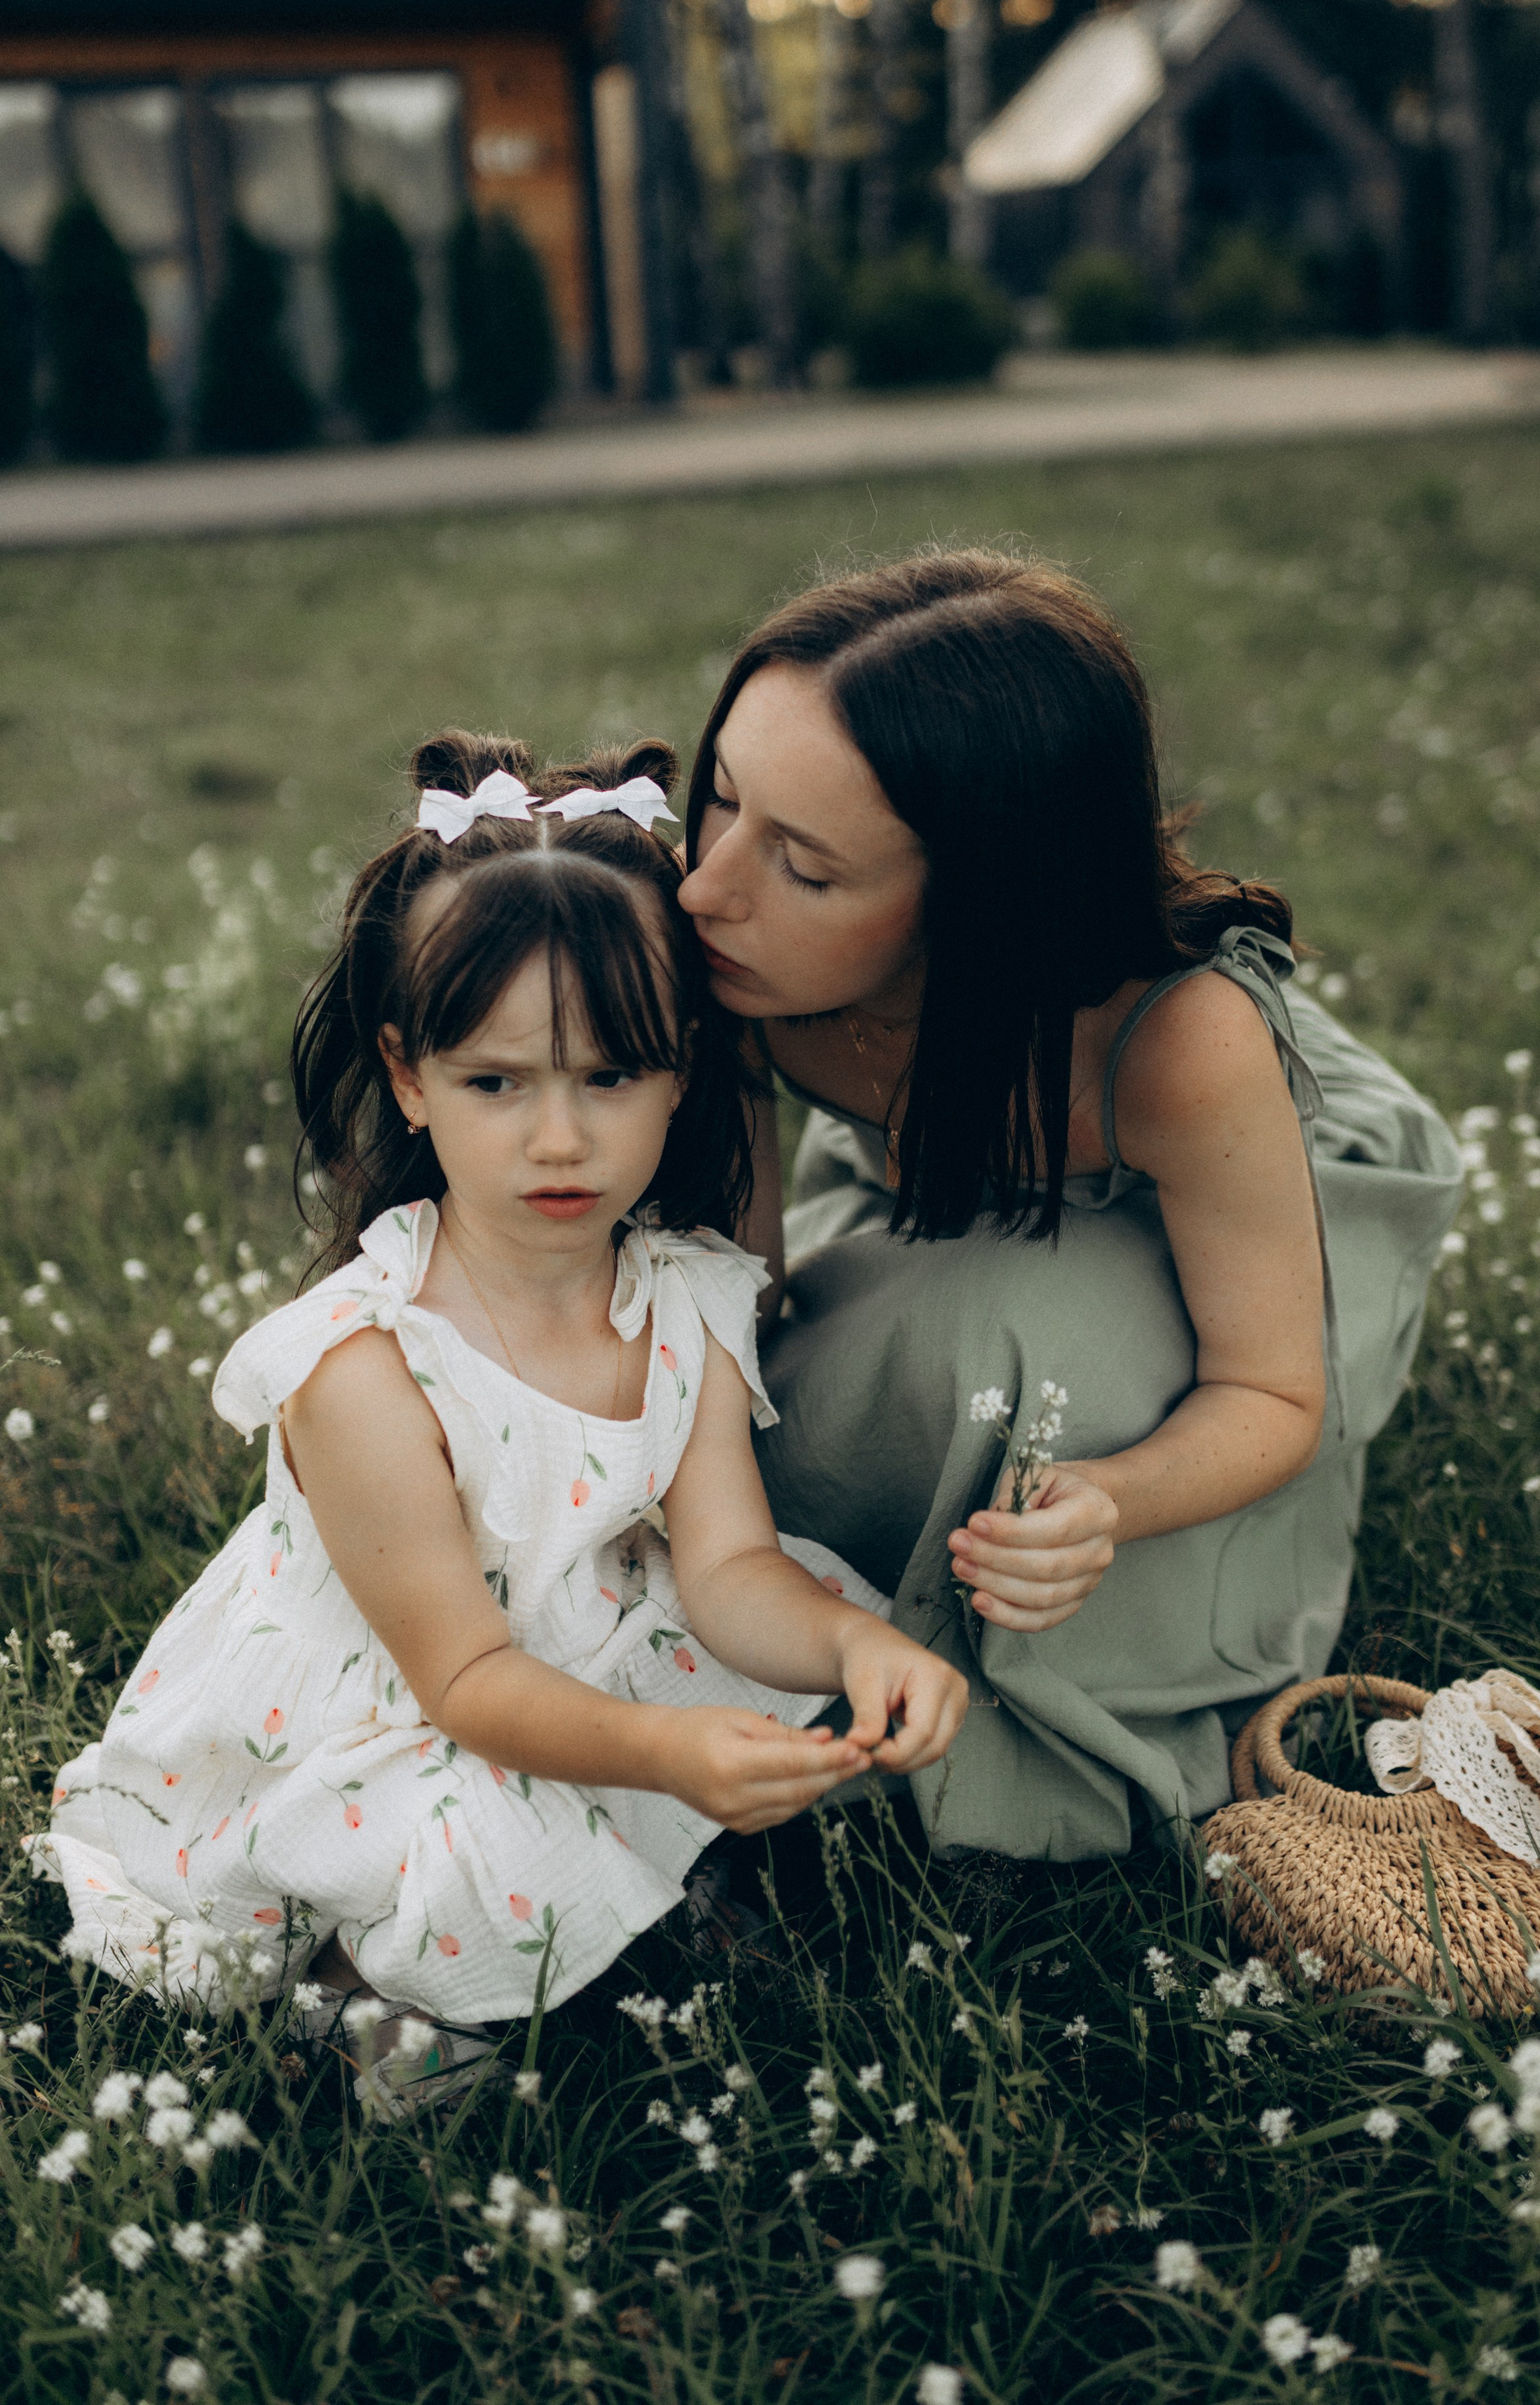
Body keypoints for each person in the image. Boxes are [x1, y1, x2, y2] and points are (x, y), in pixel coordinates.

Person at [33, 730, 965, 2097]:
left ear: (683, 1072)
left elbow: (726, 1565)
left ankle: (611, 1892)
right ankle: (372, 1997)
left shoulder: (682, 1301)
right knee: (466, 1830)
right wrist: (663, 1753)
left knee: (806, 1647)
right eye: (495, 1083)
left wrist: (854, 1643)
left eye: (608, 1078)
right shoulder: (365, 1366)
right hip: (402, 1705)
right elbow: (463, 1681)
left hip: (583, 1628)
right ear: (409, 1076)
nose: (558, 1140)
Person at [676, 550, 1462, 1864]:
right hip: (963, 1119)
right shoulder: (728, 955)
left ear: (978, 903)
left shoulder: (1185, 1050)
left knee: (1033, 1362)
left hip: (1240, 1162)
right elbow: (749, 1310)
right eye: (720, 802)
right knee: (873, 1365)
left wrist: (1112, 1499)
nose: (707, 886)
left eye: (805, 869)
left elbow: (1272, 1394)